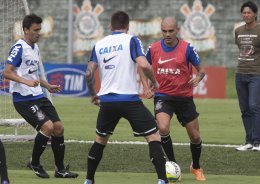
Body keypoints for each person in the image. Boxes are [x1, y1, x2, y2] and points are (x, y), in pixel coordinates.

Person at [84, 11, 169, 184]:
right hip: (129, 100)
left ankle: (88, 180)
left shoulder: (99, 44)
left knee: (100, 140)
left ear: (110, 26)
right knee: (153, 137)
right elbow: (144, 64)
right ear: (128, 26)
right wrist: (154, 82)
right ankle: (162, 180)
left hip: (107, 101)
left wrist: (93, 94)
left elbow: (88, 73)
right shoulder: (131, 40)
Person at [3, 14, 78, 179]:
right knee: (48, 127)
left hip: (38, 95)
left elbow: (34, 75)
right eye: (35, 30)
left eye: (39, 30)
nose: (38, 33)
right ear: (26, 30)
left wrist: (48, 86)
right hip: (24, 99)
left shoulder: (35, 48)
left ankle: (60, 169)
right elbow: (6, 72)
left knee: (58, 128)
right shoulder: (19, 48)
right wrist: (25, 82)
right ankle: (34, 163)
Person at [142, 17, 206, 181]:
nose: (167, 34)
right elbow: (142, 66)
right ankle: (173, 165)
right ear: (161, 30)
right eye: (164, 31)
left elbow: (201, 70)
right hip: (163, 96)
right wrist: (146, 86)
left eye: (171, 31)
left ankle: (196, 167)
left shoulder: (187, 48)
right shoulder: (154, 48)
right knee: (162, 128)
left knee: (195, 137)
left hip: (184, 98)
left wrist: (198, 78)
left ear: (177, 30)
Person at [234, 1, 260, 152]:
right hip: (240, 74)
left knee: (253, 106)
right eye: (244, 13)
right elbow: (241, 50)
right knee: (244, 108)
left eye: (249, 12)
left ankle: (258, 142)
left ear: (255, 14)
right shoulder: (238, 31)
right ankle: (249, 141)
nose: (246, 15)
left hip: (255, 74)